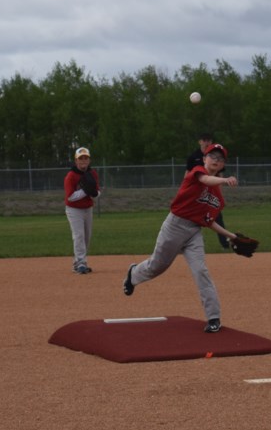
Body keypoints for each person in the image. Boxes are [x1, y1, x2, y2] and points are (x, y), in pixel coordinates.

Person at [124, 143, 239, 333]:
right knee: (157, 267)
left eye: (220, 158)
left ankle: (213, 318)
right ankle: (134, 273)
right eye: (212, 156)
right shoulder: (197, 172)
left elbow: (208, 221)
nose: (215, 160)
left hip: (194, 232)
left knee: (201, 271)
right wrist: (225, 180)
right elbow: (206, 180)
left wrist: (231, 236)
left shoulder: (219, 198)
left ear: (223, 164)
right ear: (204, 159)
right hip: (175, 226)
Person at [186, 133, 230, 249]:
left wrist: (219, 190)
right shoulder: (194, 157)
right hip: (195, 196)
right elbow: (191, 175)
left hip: (210, 195)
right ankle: (189, 243)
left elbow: (220, 174)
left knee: (216, 218)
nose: (207, 142)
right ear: (200, 141)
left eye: (209, 140)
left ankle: (225, 244)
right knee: (190, 221)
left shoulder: (217, 156)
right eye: (204, 140)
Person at [64, 147, 101, 274]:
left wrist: (93, 193)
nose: (83, 161)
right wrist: (85, 191)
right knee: (78, 235)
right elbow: (71, 196)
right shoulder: (71, 176)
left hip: (88, 209)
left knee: (86, 236)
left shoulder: (93, 174)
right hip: (74, 210)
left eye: (86, 158)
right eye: (81, 158)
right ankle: (80, 263)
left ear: (89, 160)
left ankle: (79, 262)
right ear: (76, 161)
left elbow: (96, 193)